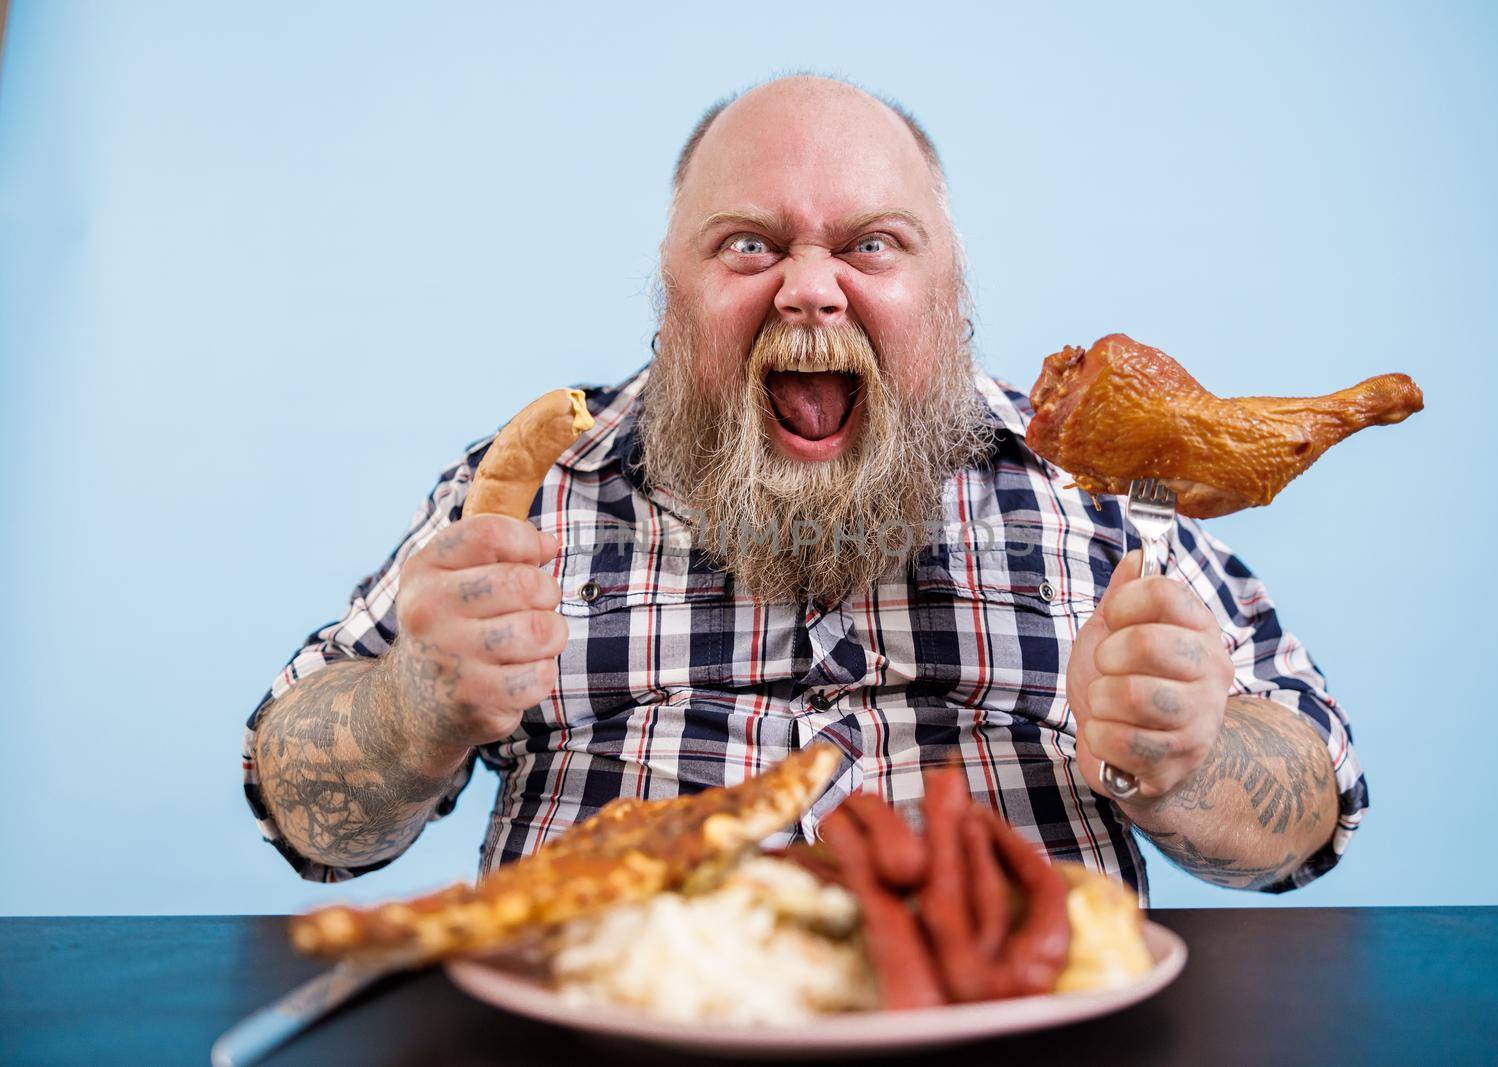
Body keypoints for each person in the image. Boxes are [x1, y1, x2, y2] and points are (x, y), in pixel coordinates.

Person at [243, 75, 1367, 899]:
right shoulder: (533, 491)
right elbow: (303, 812)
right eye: (746, 245)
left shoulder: (1097, 489)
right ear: (669, 291)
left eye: (873, 246)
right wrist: (414, 704)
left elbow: (1310, 808)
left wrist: (1189, 756)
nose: (811, 291)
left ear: (948, 290)